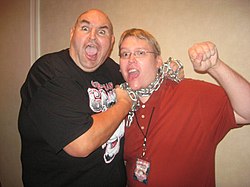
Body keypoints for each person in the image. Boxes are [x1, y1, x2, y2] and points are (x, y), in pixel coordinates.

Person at [18, 10, 182, 186]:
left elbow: (140, 81)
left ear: (110, 42)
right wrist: (124, 103)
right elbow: (81, 144)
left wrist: (166, 72)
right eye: (85, 28)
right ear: (72, 33)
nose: (93, 37)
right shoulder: (48, 72)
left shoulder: (111, 70)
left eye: (102, 32)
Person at [118, 28, 250, 187]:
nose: (131, 59)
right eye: (125, 54)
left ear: (158, 61)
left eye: (140, 53)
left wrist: (215, 66)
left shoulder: (193, 94)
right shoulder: (120, 106)